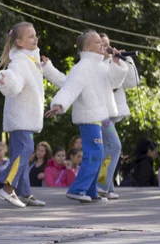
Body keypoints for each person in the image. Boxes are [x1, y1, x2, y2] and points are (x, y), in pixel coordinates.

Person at [46, 29, 128, 203]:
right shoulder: (82, 67)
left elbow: (115, 82)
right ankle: (77, 189)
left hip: (101, 116)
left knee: (98, 152)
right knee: (95, 152)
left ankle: (91, 191)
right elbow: (70, 88)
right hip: (88, 116)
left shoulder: (100, 66)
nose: (102, 44)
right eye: (98, 42)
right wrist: (59, 104)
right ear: (87, 47)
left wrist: (117, 63)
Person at [0, 22, 58, 207]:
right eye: (30, 36)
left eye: (35, 35)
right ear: (19, 42)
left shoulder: (31, 60)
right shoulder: (20, 62)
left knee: (22, 153)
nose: (35, 38)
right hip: (21, 117)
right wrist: (7, 81)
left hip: (26, 118)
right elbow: (16, 82)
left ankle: (24, 192)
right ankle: (6, 187)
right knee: (24, 152)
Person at [96, 33, 139, 200]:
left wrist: (125, 60)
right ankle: (101, 185)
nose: (106, 47)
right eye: (101, 44)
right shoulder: (95, 65)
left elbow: (133, 81)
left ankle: (108, 185)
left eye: (108, 44)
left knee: (108, 148)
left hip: (112, 112)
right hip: (101, 113)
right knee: (114, 146)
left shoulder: (113, 61)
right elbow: (109, 85)